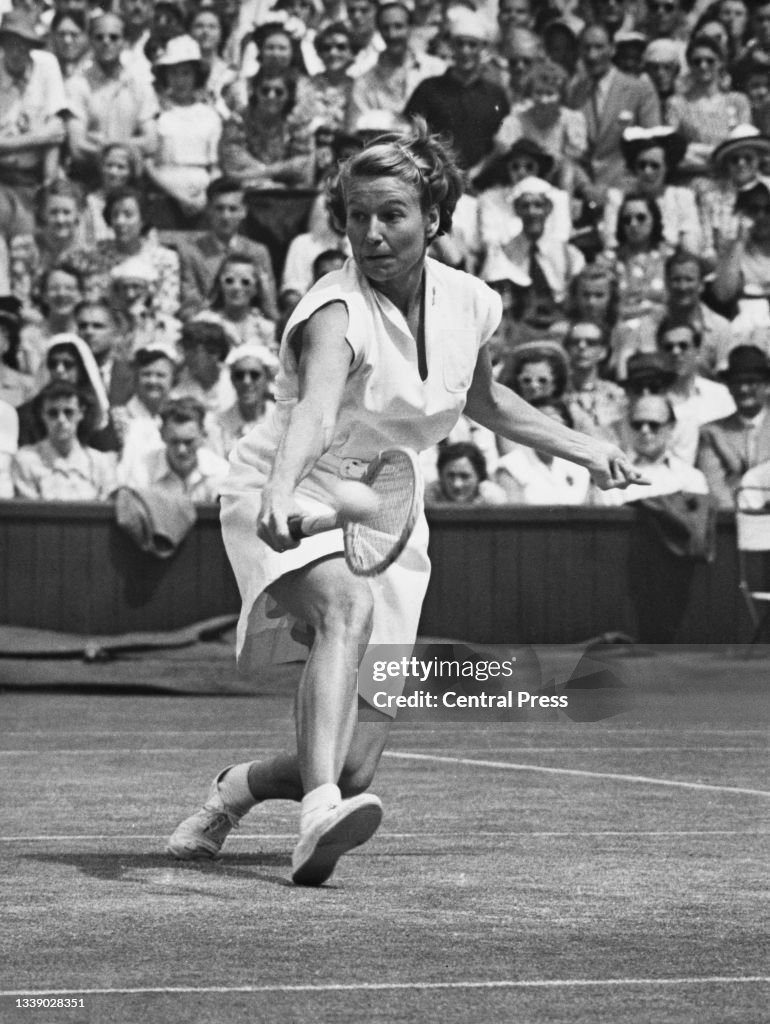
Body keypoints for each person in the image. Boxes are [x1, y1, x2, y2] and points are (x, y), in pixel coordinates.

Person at [166, 121, 643, 886]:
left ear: (434, 217)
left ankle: (237, 790)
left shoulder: (471, 302)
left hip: (388, 506)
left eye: (391, 214)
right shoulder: (334, 311)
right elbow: (316, 411)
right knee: (343, 608)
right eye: (357, 216)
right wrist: (281, 491)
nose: (372, 233)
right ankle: (318, 814)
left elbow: (485, 399)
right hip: (287, 484)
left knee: (356, 764)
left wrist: (582, 446)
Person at [404, 8, 510, 173]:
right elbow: (414, 137)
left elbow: (501, 143)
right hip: (437, 177)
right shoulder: (428, 89)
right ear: (451, 46)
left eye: (472, 45)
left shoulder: (496, 94)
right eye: (460, 44)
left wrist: (477, 173)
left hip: (483, 180)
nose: (465, 51)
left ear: (483, 48)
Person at [565, 23, 661, 196]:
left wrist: (621, 189)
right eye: (586, 48)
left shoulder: (640, 91)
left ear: (612, 49)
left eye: (599, 47)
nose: (592, 55)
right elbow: (571, 150)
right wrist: (586, 187)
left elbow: (651, 148)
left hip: (627, 190)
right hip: (585, 190)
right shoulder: (575, 92)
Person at [66, 12, 160, 179]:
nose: (106, 42)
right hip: (88, 176)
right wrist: (129, 145)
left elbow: (151, 142)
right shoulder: (77, 85)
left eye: (114, 37)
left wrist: (109, 145)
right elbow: (77, 147)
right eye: (99, 37)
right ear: (90, 41)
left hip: (129, 177)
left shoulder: (139, 85)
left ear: (125, 42)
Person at [145, 35, 222, 229]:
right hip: (164, 193)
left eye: (186, 73)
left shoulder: (210, 115)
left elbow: (215, 166)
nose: (180, 80)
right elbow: (149, 162)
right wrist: (177, 194)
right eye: (174, 73)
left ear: (196, 76)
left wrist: (204, 195)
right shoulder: (156, 112)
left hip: (202, 196)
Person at [176, 176, 278, 321]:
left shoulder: (258, 252)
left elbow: (269, 305)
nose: (225, 216)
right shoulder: (191, 252)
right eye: (219, 209)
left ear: (244, 212)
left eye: (233, 209)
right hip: (207, 324)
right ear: (208, 210)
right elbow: (189, 307)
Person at [600, 126, 701, 254]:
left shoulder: (681, 197)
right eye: (642, 165)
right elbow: (611, 243)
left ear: (666, 167)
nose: (647, 171)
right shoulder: (617, 198)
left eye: (655, 166)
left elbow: (690, 244)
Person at [11, 378, 117, 500]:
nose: (61, 420)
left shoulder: (100, 463)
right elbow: (27, 510)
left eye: (68, 412)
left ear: (81, 413)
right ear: (42, 415)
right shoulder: (26, 461)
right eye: (53, 413)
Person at [597, 393, 709, 506]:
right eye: (637, 424)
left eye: (654, 425)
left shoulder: (691, 478)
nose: (645, 430)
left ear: (671, 427)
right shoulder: (611, 479)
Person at [116, 394, 229, 501]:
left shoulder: (221, 472)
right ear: (162, 435)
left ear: (203, 435)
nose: (181, 450)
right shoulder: (142, 470)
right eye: (174, 442)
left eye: (188, 442)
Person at [696, 345, 770, 507]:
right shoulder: (712, 433)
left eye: (751, 382)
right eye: (737, 382)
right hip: (732, 516)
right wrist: (743, 514)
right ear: (729, 388)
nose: (744, 389)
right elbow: (715, 488)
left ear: (766, 385)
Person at [657, 318, 735, 464]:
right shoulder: (655, 402)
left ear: (697, 350)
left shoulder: (720, 395)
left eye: (683, 346)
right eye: (668, 347)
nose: (676, 352)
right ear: (660, 353)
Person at [494, 397, 593, 504]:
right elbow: (514, 511)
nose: (545, 428)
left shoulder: (580, 466)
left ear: (566, 426)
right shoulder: (511, 466)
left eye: (553, 421)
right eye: (537, 423)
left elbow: (590, 508)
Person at [213, 344, 278, 458]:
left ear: (267, 378)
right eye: (239, 375)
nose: (246, 381)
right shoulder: (219, 424)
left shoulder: (282, 420)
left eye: (254, 375)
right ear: (232, 380)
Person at [424, 441, 507, 505]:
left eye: (465, 476)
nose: (457, 484)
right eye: (450, 476)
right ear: (441, 476)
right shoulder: (427, 498)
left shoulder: (493, 498)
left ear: (479, 476)